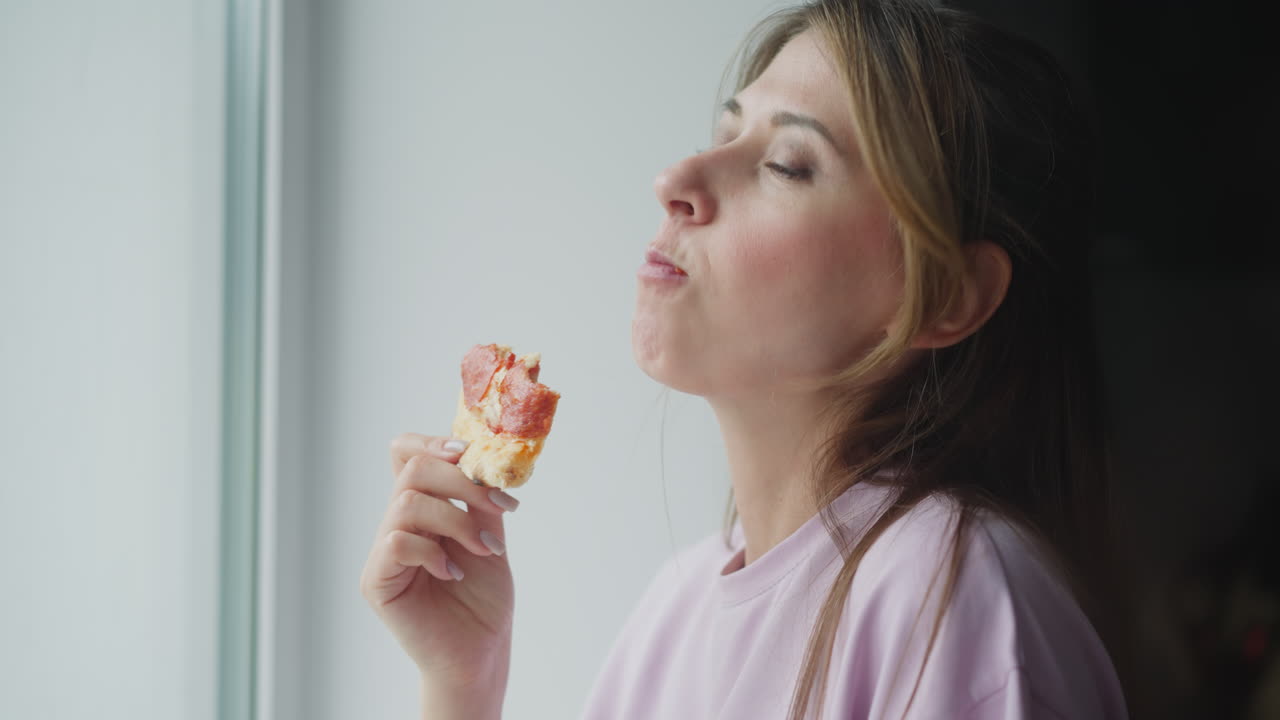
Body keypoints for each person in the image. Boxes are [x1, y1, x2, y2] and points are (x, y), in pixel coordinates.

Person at [359, 0, 1130, 717]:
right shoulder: (675, 610)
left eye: (788, 164)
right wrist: (461, 681)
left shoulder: (954, 597)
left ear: (945, 296)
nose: (674, 180)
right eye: (725, 134)